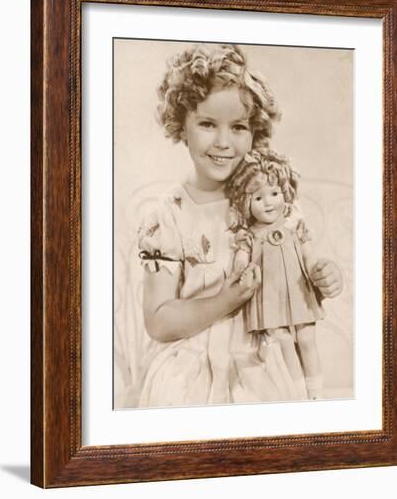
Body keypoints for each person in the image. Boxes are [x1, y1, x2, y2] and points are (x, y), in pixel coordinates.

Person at [137, 44, 342, 407]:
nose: (223, 142)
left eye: (238, 127)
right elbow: (158, 320)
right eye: (206, 124)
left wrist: (323, 276)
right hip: (194, 364)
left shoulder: (268, 204)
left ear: (255, 132)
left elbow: (294, 266)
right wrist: (224, 301)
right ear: (181, 125)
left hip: (266, 356)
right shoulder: (167, 216)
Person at [227, 148, 341, 399]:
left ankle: (316, 394)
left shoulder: (294, 224)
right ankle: (297, 394)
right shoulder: (249, 234)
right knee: (284, 342)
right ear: (246, 203)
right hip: (269, 297)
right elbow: (242, 258)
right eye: (258, 198)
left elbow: (309, 255)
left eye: (275, 193)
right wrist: (240, 267)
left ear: (285, 194)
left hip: (299, 291)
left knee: (307, 337)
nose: (269, 202)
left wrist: (317, 270)